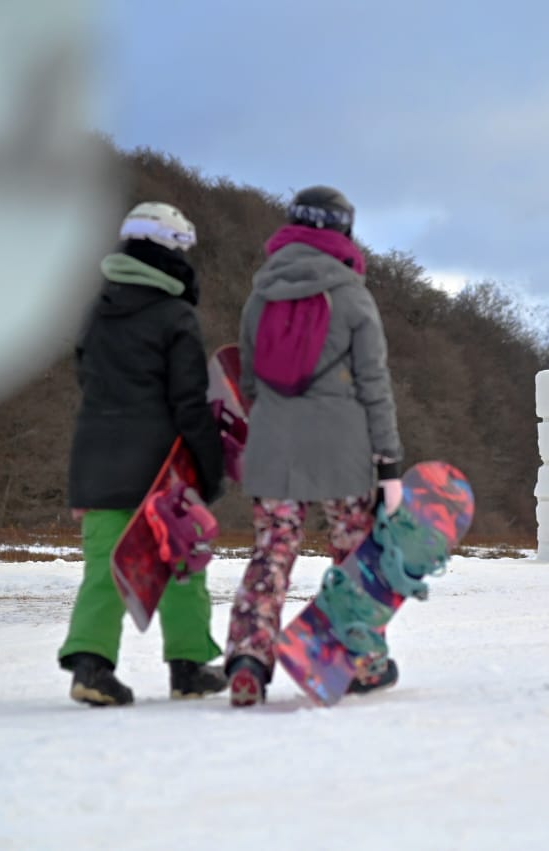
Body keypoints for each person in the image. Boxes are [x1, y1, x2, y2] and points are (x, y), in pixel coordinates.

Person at [225, 185, 404, 707]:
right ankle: (363, 662)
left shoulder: (261, 293)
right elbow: (375, 384)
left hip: (273, 443)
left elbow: (249, 380)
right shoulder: (353, 295)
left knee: (272, 548)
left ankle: (247, 657)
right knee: (354, 552)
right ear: (344, 230)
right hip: (342, 446)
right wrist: (389, 462)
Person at [57, 202, 227, 706]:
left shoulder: (95, 311)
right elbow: (189, 402)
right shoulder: (175, 316)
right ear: (171, 251)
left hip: (96, 461)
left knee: (104, 570)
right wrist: (210, 467)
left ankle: (90, 668)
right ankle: (189, 668)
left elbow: (87, 376)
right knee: (182, 562)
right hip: (161, 469)